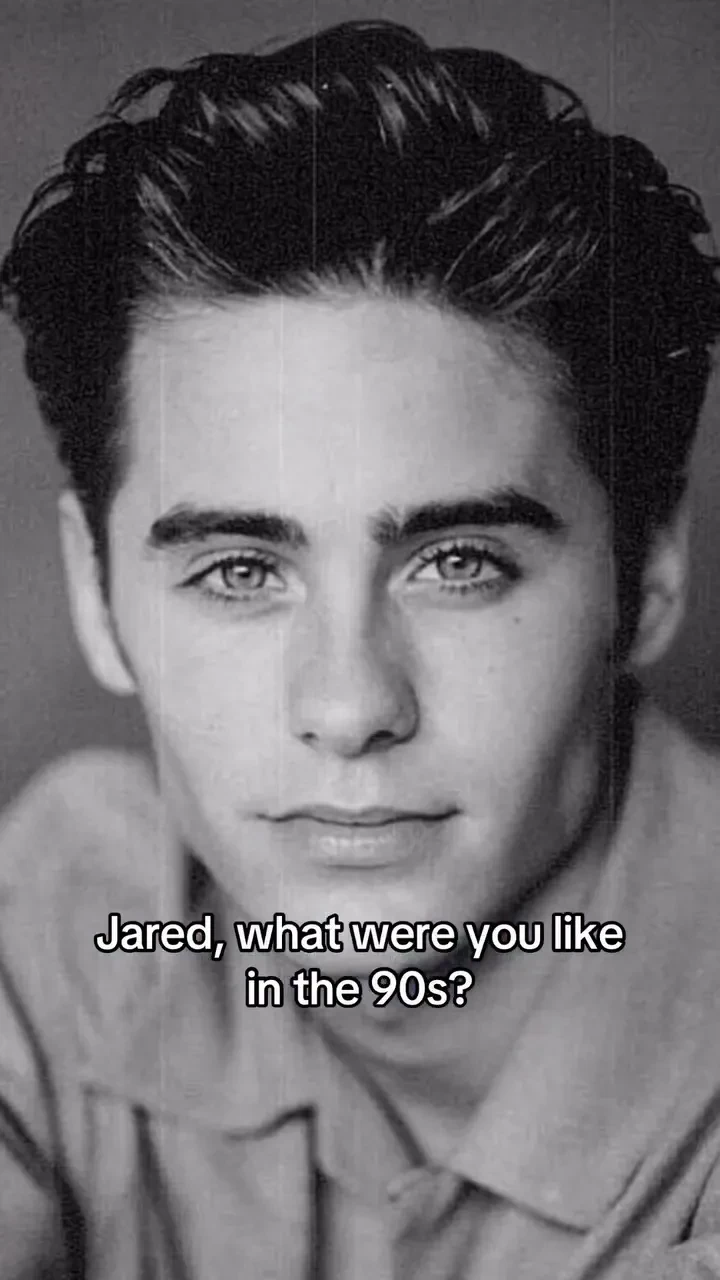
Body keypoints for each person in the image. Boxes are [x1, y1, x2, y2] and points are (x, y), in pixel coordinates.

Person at [1, 17, 720, 1279]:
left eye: (460, 562)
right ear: (95, 593)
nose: (348, 704)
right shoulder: (74, 901)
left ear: (650, 570)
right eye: (238, 569)